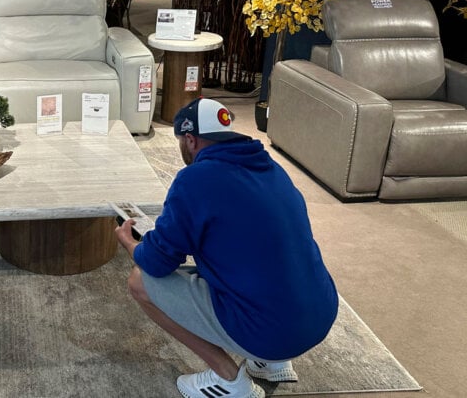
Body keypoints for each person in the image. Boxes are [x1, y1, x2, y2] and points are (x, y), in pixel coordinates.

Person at [115, 98, 338, 398]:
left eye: (182, 142)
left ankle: (229, 380)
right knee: (244, 259)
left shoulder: (195, 180)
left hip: (271, 330)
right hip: (320, 315)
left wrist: (130, 243)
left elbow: (157, 262)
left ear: (190, 140)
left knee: (140, 283)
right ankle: (271, 363)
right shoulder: (272, 168)